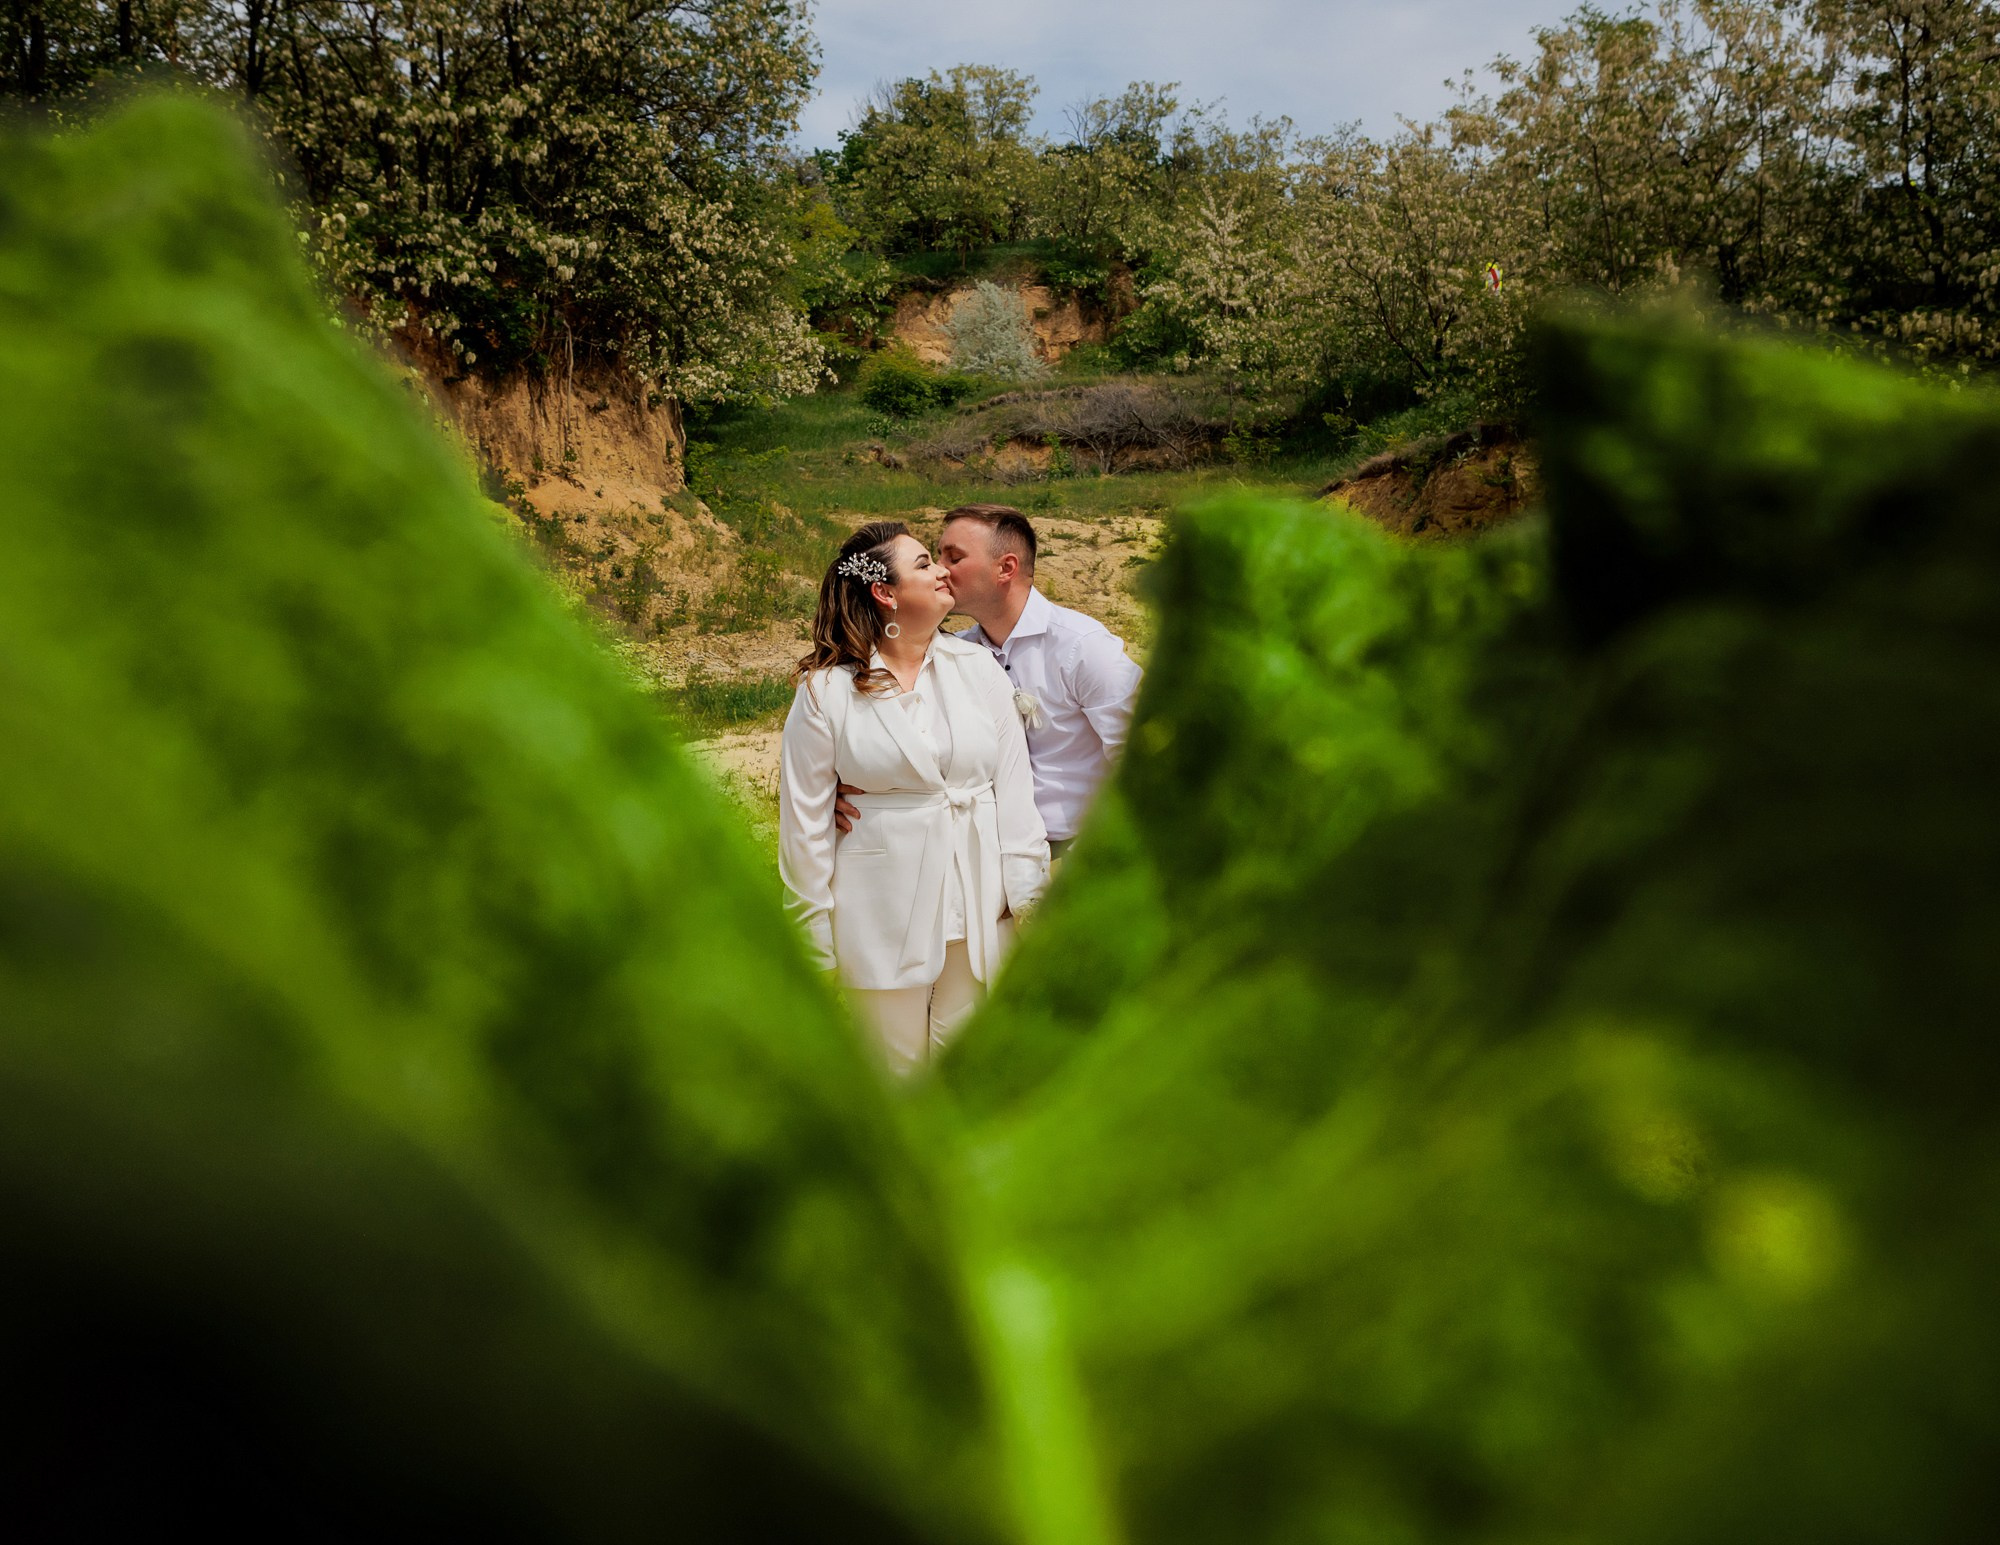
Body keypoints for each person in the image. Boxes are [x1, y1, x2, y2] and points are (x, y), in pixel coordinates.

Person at [778, 520, 1049, 1072]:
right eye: (924, 563)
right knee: (893, 1073)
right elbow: (802, 827)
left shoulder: (978, 669)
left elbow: (1016, 796)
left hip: (978, 904)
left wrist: (1030, 899)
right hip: (879, 911)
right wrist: (812, 941)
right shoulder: (825, 691)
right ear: (885, 592)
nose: (943, 571)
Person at [920, 503, 1143, 859]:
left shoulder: (1081, 647)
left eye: (954, 557)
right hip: (984, 855)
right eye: (937, 556)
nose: (939, 570)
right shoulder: (955, 653)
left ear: (1006, 568)